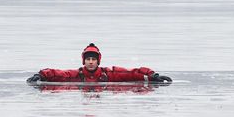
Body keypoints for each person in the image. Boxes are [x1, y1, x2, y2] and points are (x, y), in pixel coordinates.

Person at [27, 43, 171, 84]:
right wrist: (41, 75)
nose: (90, 62)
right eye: (88, 59)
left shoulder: (107, 74)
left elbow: (130, 73)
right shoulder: (77, 74)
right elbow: (59, 74)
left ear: (98, 61)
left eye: (93, 59)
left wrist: (152, 75)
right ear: (84, 61)